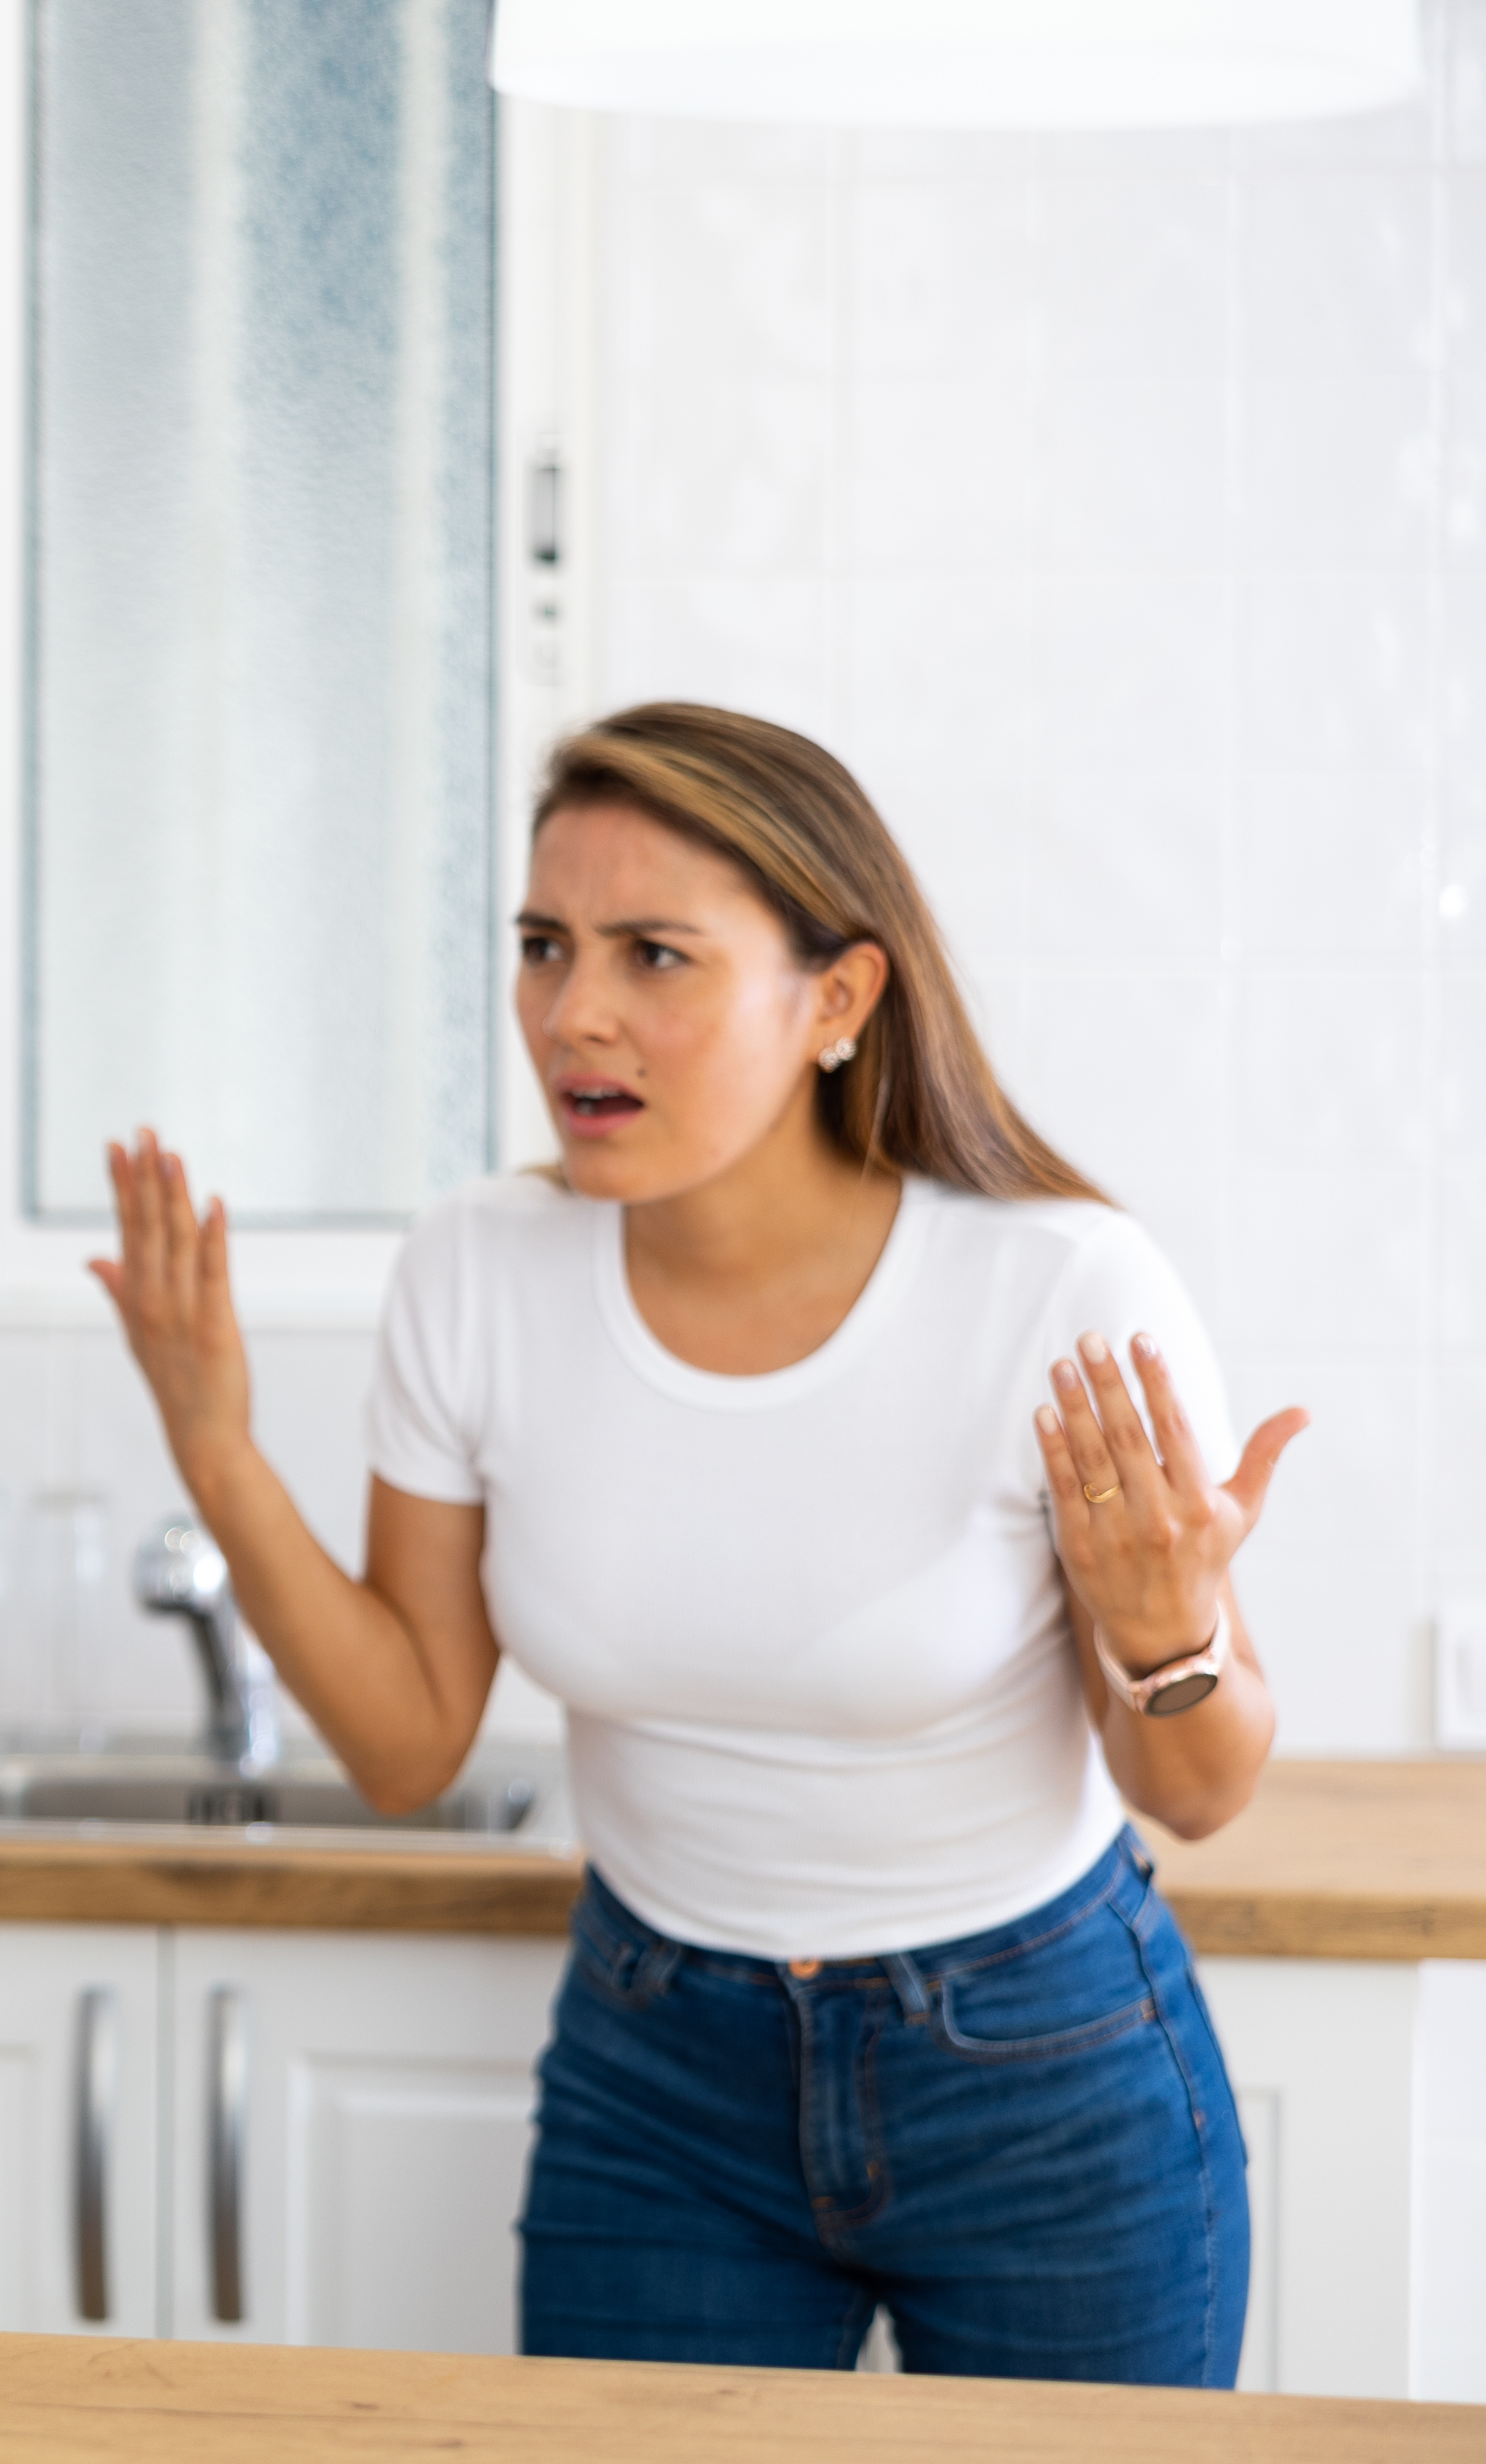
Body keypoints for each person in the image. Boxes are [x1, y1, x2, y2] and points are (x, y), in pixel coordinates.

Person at [95, 702, 1297, 2385]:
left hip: (1042, 2068)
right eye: (544, 946)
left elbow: (1198, 1790)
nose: (574, 1013)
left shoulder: (1059, 1291)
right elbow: (403, 1736)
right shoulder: (477, 1271)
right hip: (661, 2077)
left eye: (655, 954)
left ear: (838, 1000)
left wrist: (1172, 1639)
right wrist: (215, 1445)